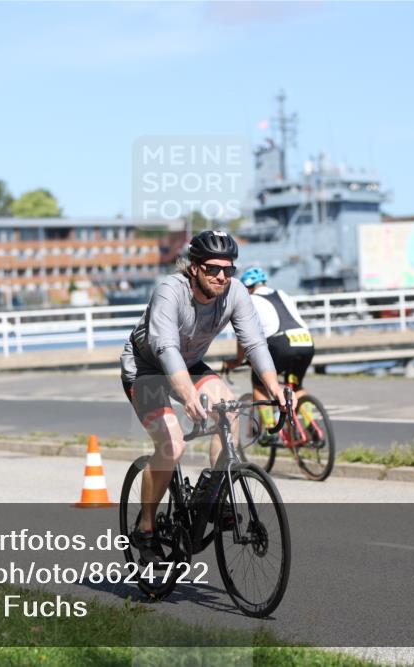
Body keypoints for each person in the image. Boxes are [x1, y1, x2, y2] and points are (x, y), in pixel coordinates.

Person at [120, 231, 287, 565]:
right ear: (194, 267)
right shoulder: (171, 291)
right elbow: (165, 347)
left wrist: (275, 387)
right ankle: (147, 528)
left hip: (191, 363)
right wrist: (186, 394)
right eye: (212, 268)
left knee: (231, 410)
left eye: (228, 269)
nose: (222, 276)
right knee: (173, 446)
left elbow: (254, 343)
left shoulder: (235, 292)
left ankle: (214, 493)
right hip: (147, 367)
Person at [222, 267, 315, 432]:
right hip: (305, 341)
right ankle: (311, 426)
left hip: (281, 343)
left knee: (259, 385)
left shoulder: (250, 300)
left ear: (247, 288)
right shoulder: (282, 294)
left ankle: (271, 431)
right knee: (296, 386)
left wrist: (238, 360)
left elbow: (244, 336)